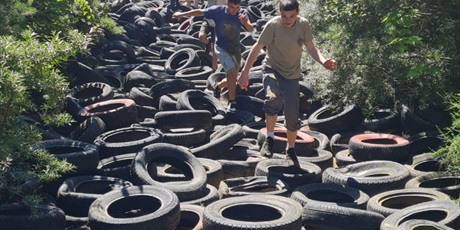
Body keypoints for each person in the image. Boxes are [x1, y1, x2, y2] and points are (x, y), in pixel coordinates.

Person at [237, 0, 336, 167]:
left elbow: (311, 47)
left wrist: (323, 61)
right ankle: (270, 138)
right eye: (284, 16)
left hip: (292, 75)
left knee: (292, 115)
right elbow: (257, 46)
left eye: (291, 16)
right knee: (272, 98)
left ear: (297, 12)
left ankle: (290, 150)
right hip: (272, 69)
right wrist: (245, 72)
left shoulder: (303, 25)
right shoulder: (273, 25)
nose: (287, 20)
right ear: (280, 13)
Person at [172, 0, 254, 112]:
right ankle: (232, 102)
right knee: (231, 72)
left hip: (235, 49)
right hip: (221, 48)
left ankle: (217, 86)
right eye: (231, 7)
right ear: (226, 4)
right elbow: (199, 12)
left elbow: (251, 29)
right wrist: (181, 14)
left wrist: (245, 23)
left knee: (235, 78)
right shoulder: (217, 11)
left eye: (237, 7)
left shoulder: (242, 13)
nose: (234, 10)